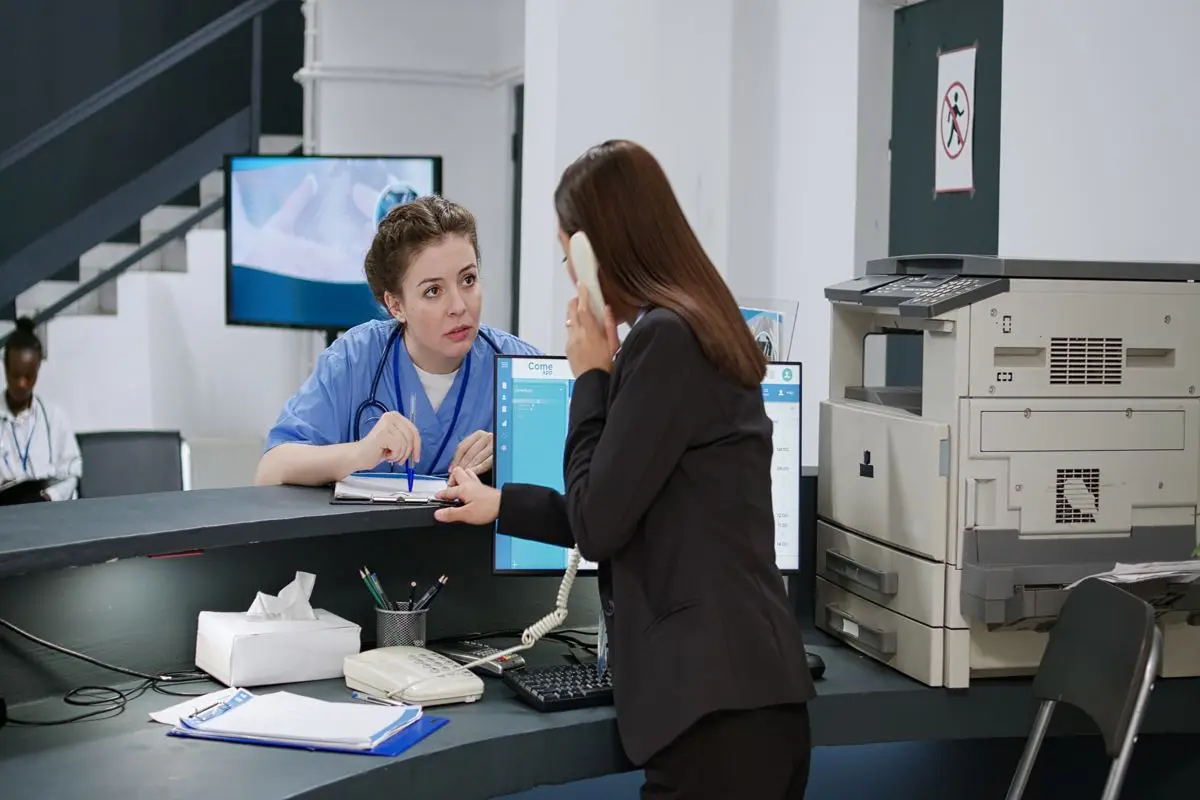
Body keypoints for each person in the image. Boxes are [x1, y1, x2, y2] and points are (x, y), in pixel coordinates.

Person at [433, 141, 814, 798]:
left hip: (716, 717)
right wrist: (505, 506)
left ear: (595, 251)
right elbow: (630, 500)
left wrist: (589, 377)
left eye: (568, 259)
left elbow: (601, 523)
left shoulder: (667, 341)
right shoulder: (699, 325)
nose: (571, 279)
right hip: (745, 704)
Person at [255, 196, 540, 487]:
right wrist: (359, 453)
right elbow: (270, 471)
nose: (458, 306)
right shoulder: (353, 360)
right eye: (433, 291)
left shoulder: (522, 369)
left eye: (468, 280)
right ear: (396, 306)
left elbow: (567, 491)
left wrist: (512, 456)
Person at [1, 318, 83, 501]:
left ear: (37, 369)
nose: (21, 384)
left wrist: (48, 497)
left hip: (47, 511)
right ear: (5, 368)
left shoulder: (55, 417)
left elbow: (71, 473)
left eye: (28, 376)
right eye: (15, 375)